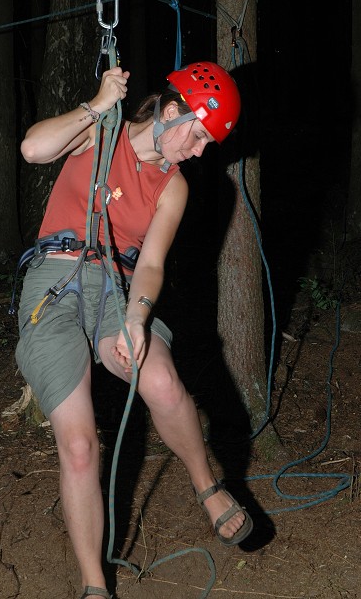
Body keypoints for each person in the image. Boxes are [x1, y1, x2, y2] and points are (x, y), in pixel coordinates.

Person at [16, 61, 253, 599]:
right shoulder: (99, 132)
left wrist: (137, 319)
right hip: (53, 282)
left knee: (163, 381)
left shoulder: (174, 188)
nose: (198, 152)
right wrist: (97, 105)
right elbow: (33, 149)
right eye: (197, 136)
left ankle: (207, 484)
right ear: (172, 112)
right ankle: (95, 585)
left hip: (117, 291)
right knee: (79, 447)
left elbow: (150, 266)